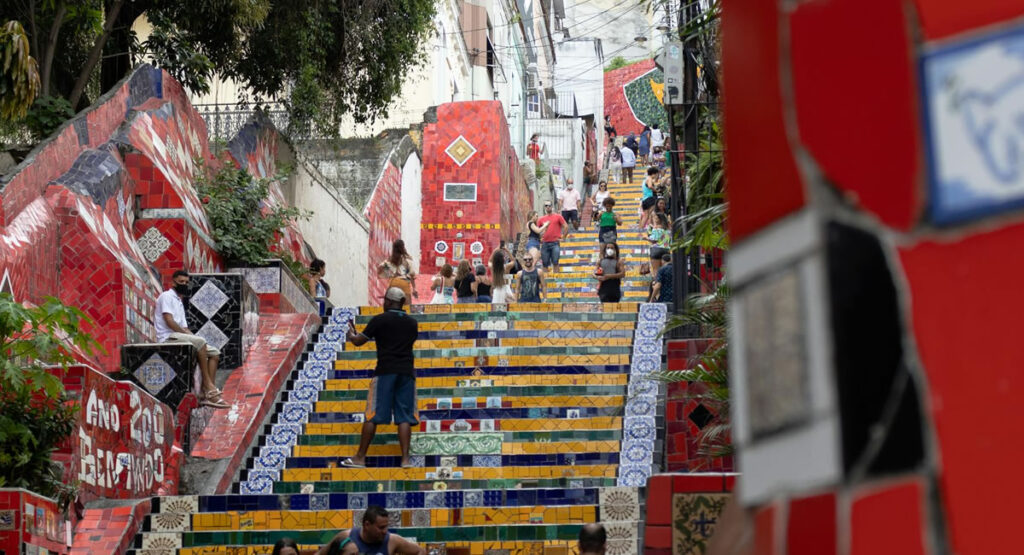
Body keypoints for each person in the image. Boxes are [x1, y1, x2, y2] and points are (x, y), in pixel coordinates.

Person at [342, 287, 418, 468]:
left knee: (372, 414)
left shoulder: (380, 320)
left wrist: (351, 334)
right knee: (405, 416)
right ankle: (405, 460)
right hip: (407, 372)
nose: (383, 303)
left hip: (385, 371)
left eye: (385, 300)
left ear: (390, 302)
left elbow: (359, 341)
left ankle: (360, 457)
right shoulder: (412, 323)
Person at [155, 270, 228, 409]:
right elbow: (169, 321)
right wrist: (193, 339)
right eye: (181, 282)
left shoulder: (179, 301)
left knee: (215, 353)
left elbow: (185, 328)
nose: (184, 284)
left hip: (178, 335)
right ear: (173, 282)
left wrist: (193, 338)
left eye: (186, 282)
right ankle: (209, 386)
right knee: (199, 342)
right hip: (167, 337)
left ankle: (206, 394)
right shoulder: (166, 296)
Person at [317, 506, 424, 555]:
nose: (385, 531)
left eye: (387, 527)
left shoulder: (392, 540)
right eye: (381, 527)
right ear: (367, 525)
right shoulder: (346, 537)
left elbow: (420, 551)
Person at [536, 201, 569, 273]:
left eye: (549, 205)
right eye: (546, 205)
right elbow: (536, 230)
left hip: (555, 243)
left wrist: (563, 237)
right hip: (545, 243)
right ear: (544, 207)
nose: (548, 207)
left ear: (552, 206)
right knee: (545, 263)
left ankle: (556, 281)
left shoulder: (558, 216)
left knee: (555, 262)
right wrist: (539, 239)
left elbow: (566, 227)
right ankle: (546, 282)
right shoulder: (541, 219)